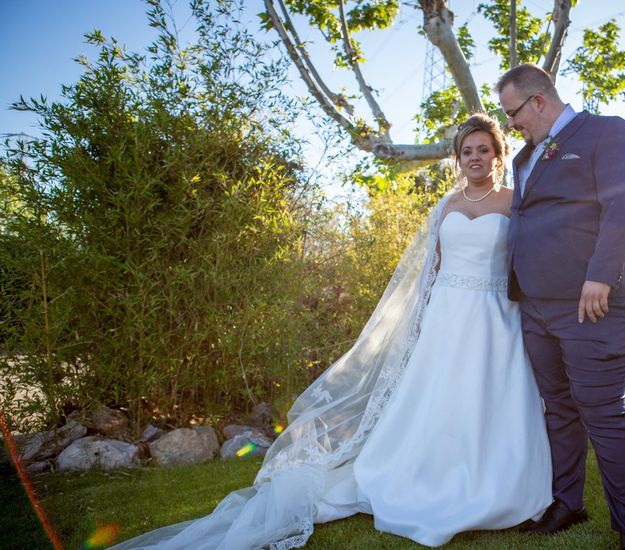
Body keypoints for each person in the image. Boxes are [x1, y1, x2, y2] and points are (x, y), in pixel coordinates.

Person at [109, 113, 551, 549]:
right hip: (445, 319)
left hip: (496, 317)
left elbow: (532, 258)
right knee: (437, 400)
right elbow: (429, 273)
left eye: (483, 150)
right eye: (467, 151)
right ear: (457, 158)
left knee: (488, 396)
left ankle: (490, 481)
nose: (475, 157)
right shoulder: (446, 207)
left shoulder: (515, 202)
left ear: (498, 154)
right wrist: (419, 327)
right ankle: (429, 473)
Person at [496, 63, 625, 550]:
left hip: (591, 304)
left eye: (513, 114)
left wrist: (599, 276)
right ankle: (568, 501)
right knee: (559, 411)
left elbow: (624, 205)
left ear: (538, 101)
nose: (511, 125)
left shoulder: (606, 132)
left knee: (603, 412)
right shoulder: (524, 159)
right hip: (536, 307)